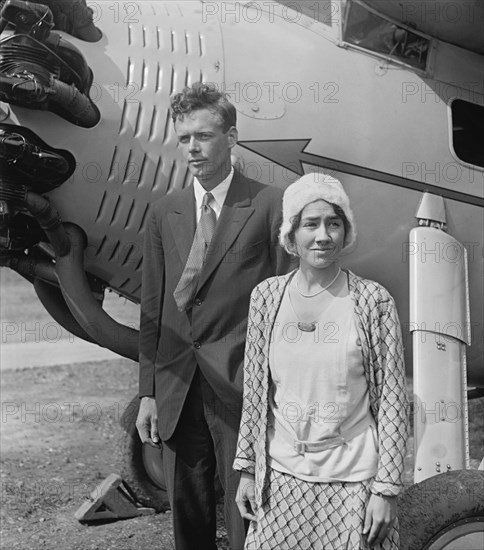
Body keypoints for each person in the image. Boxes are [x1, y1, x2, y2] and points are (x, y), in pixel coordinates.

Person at [135, 82, 293, 550]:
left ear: (231, 136)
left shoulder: (270, 204)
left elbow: (287, 304)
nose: (192, 148)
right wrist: (148, 390)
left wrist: (281, 389)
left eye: (203, 136)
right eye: (183, 138)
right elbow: (152, 308)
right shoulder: (164, 213)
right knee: (188, 509)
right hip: (177, 385)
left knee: (248, 508)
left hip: (242, 382)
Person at [234, 172, 409, 549]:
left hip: (353, 486)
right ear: (291, 235)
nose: (323, 235)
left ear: (346, 232)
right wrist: (248, 471)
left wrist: (387, 489)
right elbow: (255, 391)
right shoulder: (266, 297)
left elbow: (394, 400)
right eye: (310, 224)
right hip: (281, 482)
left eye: (334, 223)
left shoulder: (372, 301)